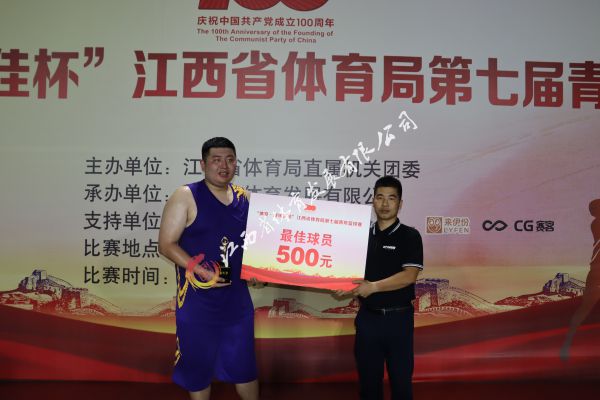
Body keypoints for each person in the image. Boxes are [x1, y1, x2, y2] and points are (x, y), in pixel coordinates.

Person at [158, 137, 259, 400]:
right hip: (197, 302)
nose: (224, 166)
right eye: (216, 160)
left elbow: (256, 245)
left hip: (237, 302)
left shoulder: (245, 198)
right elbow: (166, 244)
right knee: (197, 370)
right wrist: (200, 270)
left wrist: (258, 271)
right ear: (203, 164)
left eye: (230, 160)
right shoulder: (186, 195)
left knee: (245, 368)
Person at [342, 175, 423, 400]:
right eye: (380, 197)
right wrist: (340, 284)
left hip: (399, 320)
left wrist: (373, 287)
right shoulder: (361, 235)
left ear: (400, 203)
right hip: (368, 319)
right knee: (368, 385)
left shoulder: (410, 236)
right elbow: (350, 272)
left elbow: (409, 275)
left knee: (401, 383)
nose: (385, 204)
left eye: (391, 198)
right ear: (373, 201)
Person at [560, 198, 600, 360]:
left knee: (585, 307)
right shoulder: (596, 224)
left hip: (595, 269)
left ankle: (567, 344)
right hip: (597, 269)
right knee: (585, 307)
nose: (592, 211)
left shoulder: (595, 223)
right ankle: (568, 344)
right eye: (592, 209)